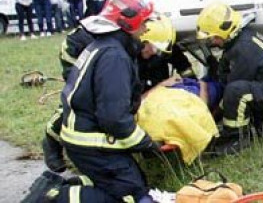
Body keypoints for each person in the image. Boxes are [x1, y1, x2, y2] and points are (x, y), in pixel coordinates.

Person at [45, 14, 194, 173]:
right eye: (151, 48)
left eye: (158, 50)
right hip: (77, 51)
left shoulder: (157, 41)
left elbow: (182, 65)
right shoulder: (118, 55)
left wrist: (192, 85)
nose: (154, 52)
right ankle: (51, 142)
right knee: (81, 100)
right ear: (140, 39)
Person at [49, 0, 159, 202]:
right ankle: (55, 197)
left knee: (134, 182)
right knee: (132, 196)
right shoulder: (114, 57)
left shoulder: (103, 46)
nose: (146, 29)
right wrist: (145, 143)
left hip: (84, 138)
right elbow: (113, 117)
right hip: (91, 144)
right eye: (144, 23)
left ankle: (70, 186)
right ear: (128, 24)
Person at [197, 2, 263, 155]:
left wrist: (211, 118)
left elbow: (232, 89)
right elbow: (224, 75)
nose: (212, 42)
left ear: (224, 31)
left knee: (235, 91)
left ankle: (236, 139)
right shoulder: (238, 41)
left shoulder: (244, 48)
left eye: (213, 38)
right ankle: (251, 126)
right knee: (235, 90)